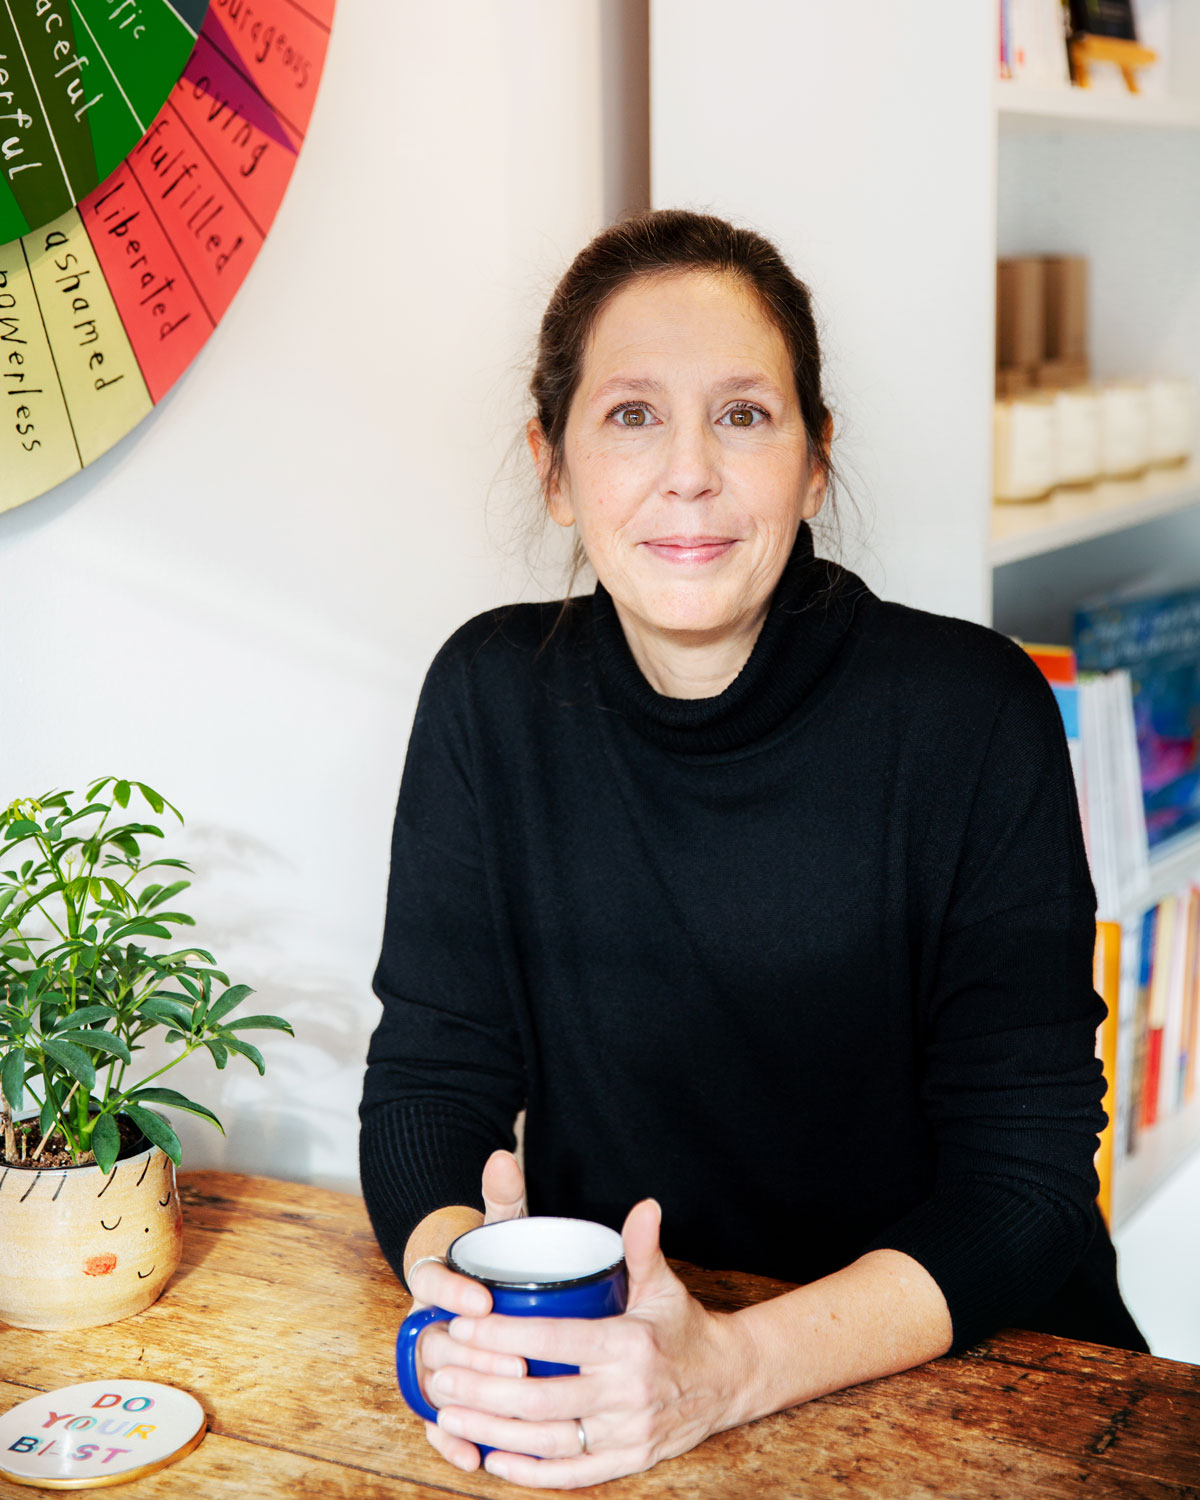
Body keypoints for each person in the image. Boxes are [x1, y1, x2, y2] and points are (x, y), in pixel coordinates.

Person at [359, 209, 1146, 1489]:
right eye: (629, 415)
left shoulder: (971, 712)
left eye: (743, 414)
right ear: (552, 468)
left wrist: (729, 1368)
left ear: (815, 461)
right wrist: (463, 1296)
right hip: (621, 1379)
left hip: (979, 1396)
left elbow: (1028, 1180)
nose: (689, 472)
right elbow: (431, 1085)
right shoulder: (489, 698)